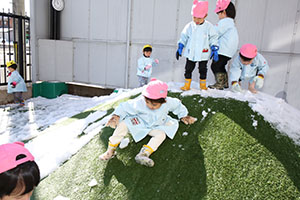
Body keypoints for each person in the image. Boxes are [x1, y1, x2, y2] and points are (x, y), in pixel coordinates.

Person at [99, 78, 196, 167]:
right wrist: (116, 115)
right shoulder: (139, 102)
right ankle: (110, 150)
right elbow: (124, 107)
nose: (150, 106)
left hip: (157, 125)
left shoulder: (168, 102)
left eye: (154, 104)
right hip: (140, 122)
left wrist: (183, 115)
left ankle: (144, 154)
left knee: (161, 135)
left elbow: (178, 106)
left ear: (163, 101)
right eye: (147, 102)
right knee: (123, 124)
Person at [176, 0, 219, 91]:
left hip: (203, 53)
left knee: (203, 69)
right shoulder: (189, 26)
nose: (196, 20)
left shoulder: (209, 27)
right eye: (194, 17)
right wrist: (180, 46)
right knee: (188, 68)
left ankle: (202, 85)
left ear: (205, 16)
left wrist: (214, 48)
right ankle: (187, 85)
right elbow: (184, 36)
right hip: (191, 53)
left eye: (199, 18)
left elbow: (213, 37)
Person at [208, 0, 239, 90]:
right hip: (229, 50)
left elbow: (214, 32)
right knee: (221, 65)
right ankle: (224, 82)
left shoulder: (225, 22)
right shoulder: (231, 22)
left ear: (224, 12)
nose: (218, 16)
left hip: (223, 49)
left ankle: (220, 83)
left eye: (219, 13)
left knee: (215, 66)